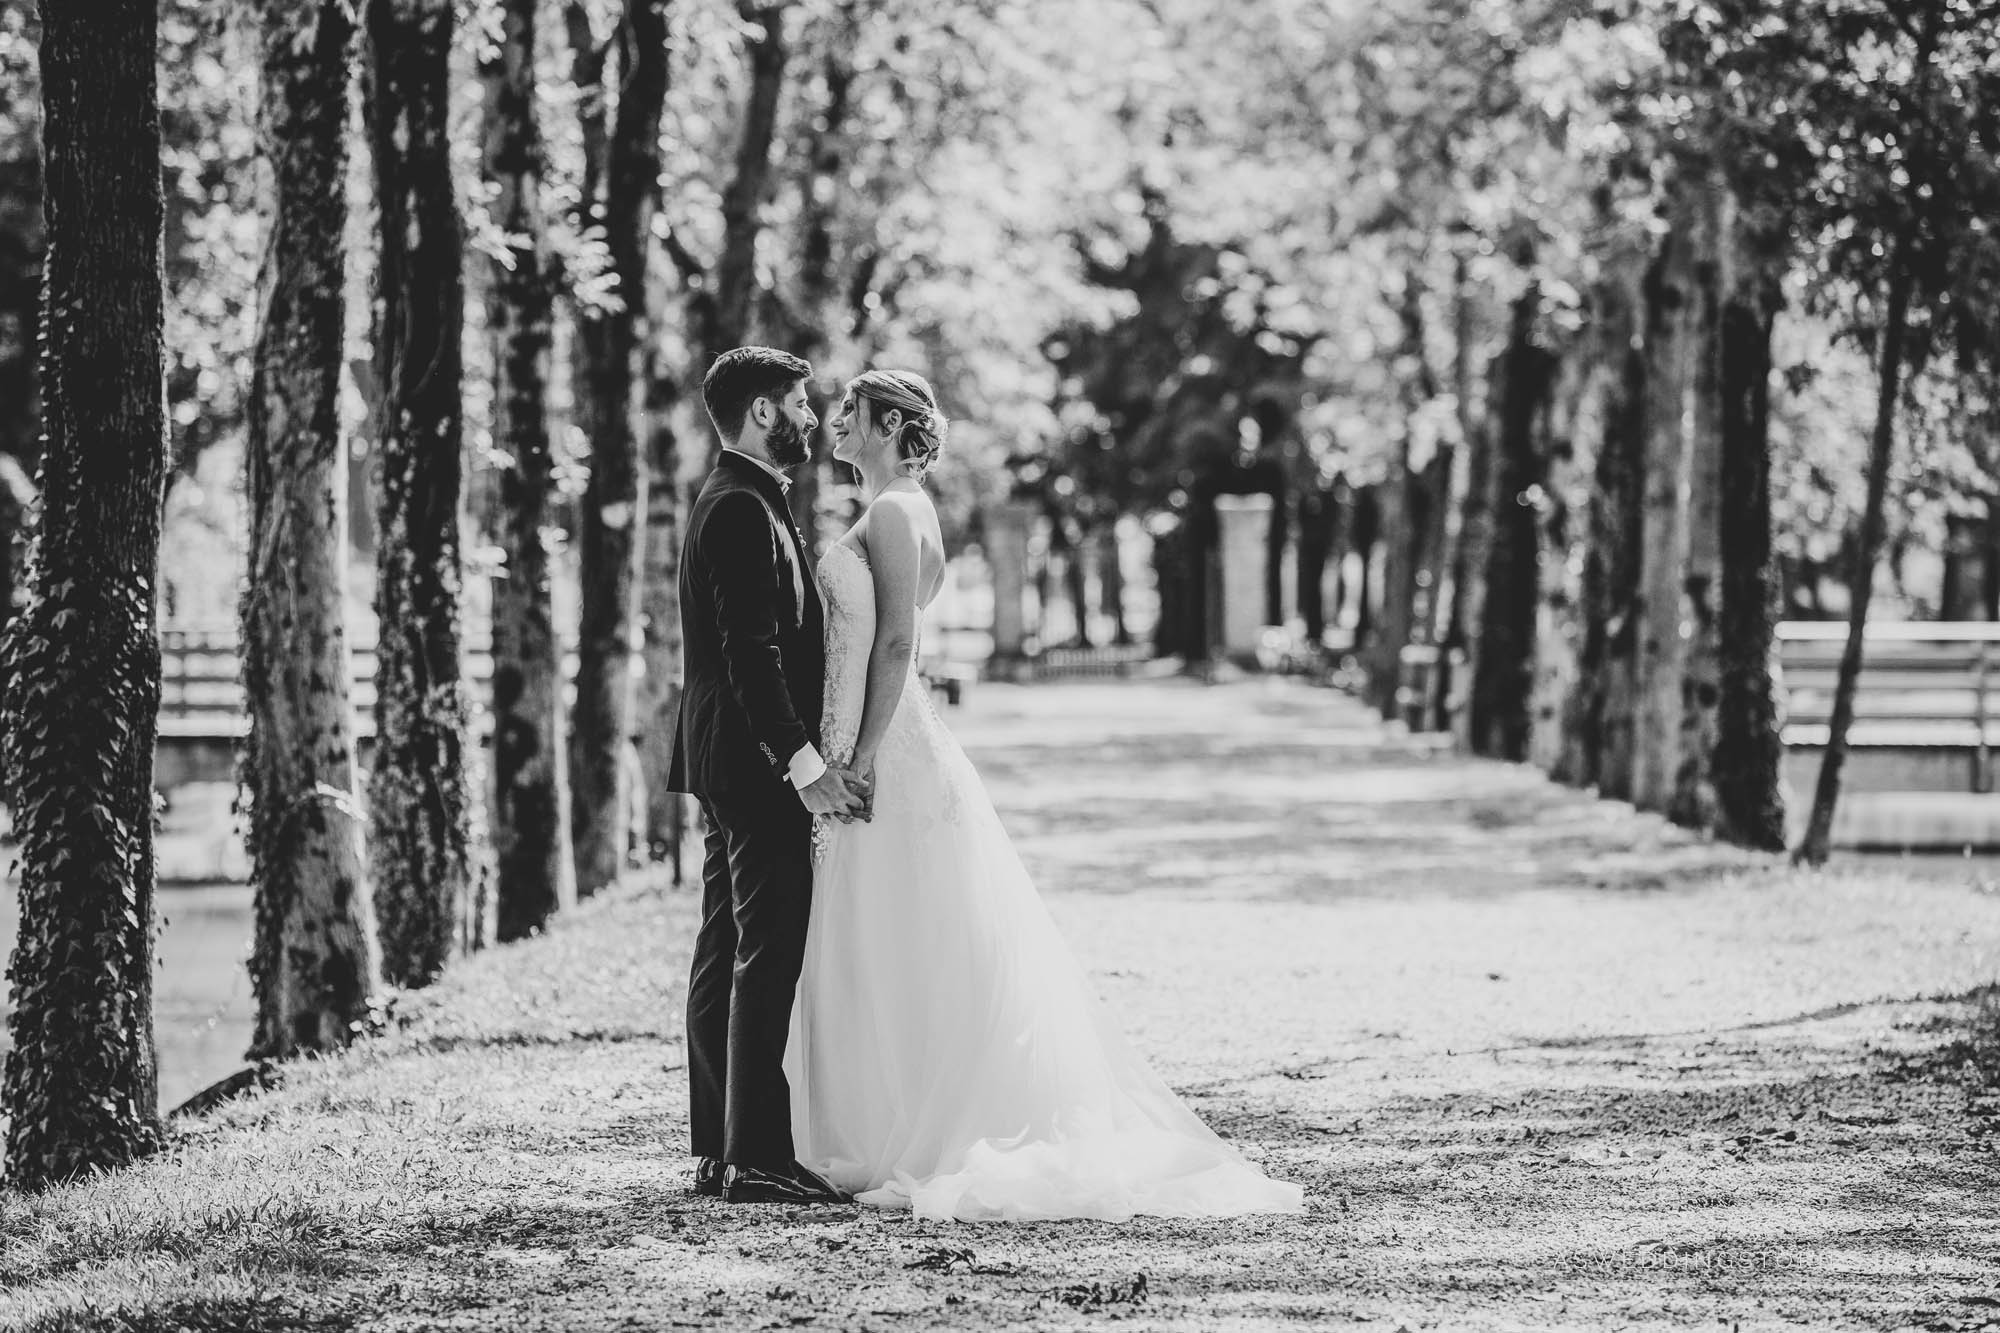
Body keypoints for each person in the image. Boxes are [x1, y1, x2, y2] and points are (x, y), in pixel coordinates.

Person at [784, 369, 1304, 1222]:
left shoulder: (888, 513)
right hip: (881, 740)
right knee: (900, 929)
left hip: (885, 746)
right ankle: (884, 1116)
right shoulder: (910, 510)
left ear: (885, 424)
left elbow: (896, 646)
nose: (836, 422)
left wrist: (863, 753)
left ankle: (910, 1125)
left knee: (897, 926)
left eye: (849, 412)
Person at [667, 347, 870, 1205]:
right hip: (754, 763)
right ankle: (754, 1153)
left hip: (725, 756)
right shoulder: (739, 509)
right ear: (760, 413)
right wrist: (806, 766)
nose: (812, 418)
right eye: (798, 402)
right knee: (767, 950)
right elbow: (752, 653)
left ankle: (721, 1145)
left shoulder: (742, 498)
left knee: (725, 945)